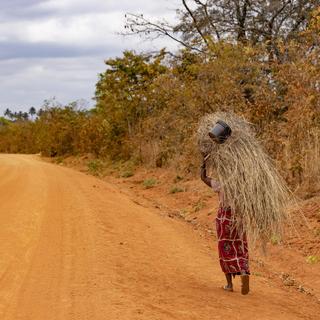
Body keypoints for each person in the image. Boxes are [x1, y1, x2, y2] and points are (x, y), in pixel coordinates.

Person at [200, 156, 250, 295]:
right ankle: (244, 271)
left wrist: (203, 162)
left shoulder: (221, 184)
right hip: (239, 219)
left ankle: (229, 284)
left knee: (225, 248)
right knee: (240, 246)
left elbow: (203, 177)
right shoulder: (243, 186)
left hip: (225, 219)